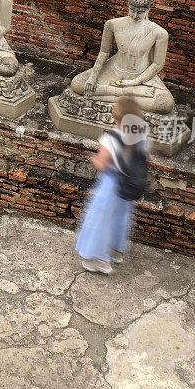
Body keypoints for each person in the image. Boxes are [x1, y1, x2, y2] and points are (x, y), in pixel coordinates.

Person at [68, 0, 174, 114]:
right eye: (132, 10)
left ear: (149, 8)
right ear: (128, 6)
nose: (135, 15)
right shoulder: (113, 24)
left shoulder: (159, 33)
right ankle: (125, 95)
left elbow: (157, 64)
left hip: (140, 75)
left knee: (165, 104)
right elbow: (104, 51)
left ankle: (106, 94)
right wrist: (93, 77)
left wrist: (135, 82)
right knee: (77, 84)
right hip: (114, 69)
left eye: (140, 12)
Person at [75, 96, 149, 274]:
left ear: (116, 116)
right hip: (129, 183)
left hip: (111, 183)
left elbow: (103, 164)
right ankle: (116, 251)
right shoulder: (141, 134)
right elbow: (144, 156)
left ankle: (99, 259)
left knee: (100, 219)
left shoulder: (110, 138)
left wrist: (93, 158)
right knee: (120, 217)